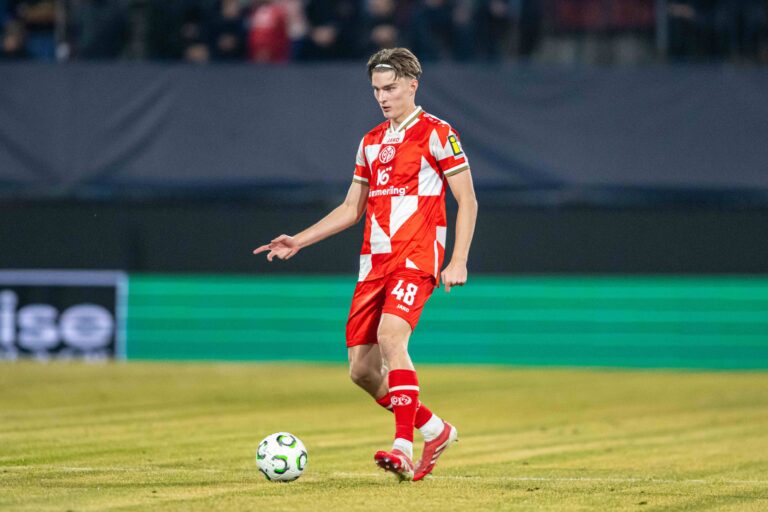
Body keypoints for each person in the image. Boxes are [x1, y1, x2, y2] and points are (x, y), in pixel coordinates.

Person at [253, 47, 478, 482]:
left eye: (390, 88)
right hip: (373, 264)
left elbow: (467, 199)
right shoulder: (370, 142)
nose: (382, 97)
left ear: (413, 85)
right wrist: (298, 240)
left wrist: (459, 259)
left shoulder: (437, 133)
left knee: (391, 336)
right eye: (376, 90)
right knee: (362, 371)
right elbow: (351, 208)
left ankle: (402, 448)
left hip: (416, 256)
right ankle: (435, 429)